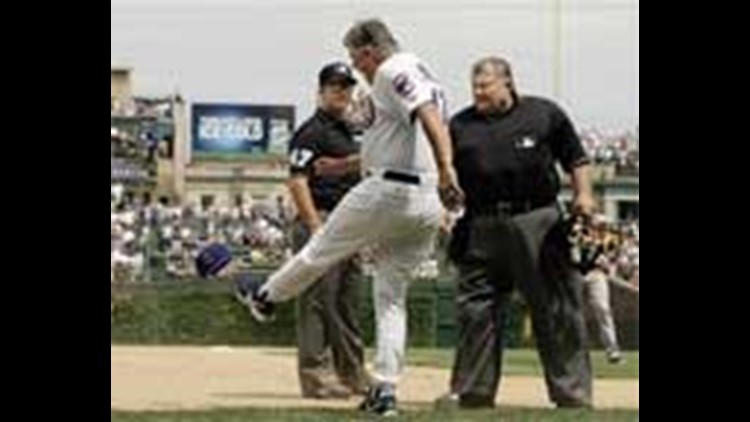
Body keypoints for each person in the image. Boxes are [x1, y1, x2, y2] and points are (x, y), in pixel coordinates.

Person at [234, 19, 464, 417]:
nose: (357, 68)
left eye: (356, 58)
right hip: (424, 200)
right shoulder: (422, 70)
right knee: (391, 297)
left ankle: (266, 296)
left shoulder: (394, 69)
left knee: (320, 249)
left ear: (371, 50)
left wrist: (448, 169)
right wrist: (345, 166)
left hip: (391, 191)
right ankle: (385, 392)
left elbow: (426, 115)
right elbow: (402, 136)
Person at [440, 56, 594, 409]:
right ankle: (473, 392)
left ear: (507, 82)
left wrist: (584, 195)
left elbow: (577, 159)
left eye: (485, 85)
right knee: (476, 308)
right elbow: (446, 175)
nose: (478, 92)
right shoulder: (460, 125)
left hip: (537, 219)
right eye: (474, 86)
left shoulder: (543, 113)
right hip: (480, 222)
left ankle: (572, 394)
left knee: (556, 308)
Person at [286, 62, 369, 399]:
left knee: (347, 302)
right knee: (317, 303)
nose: (342, 92)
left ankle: (352, 373)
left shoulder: (350, 131)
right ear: (320, 91)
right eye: (335, 87)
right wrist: (315, 226)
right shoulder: (312, 131)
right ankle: (316, 376)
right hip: (320, 219)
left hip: (348, 224)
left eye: (347, 87)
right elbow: (296, 180)